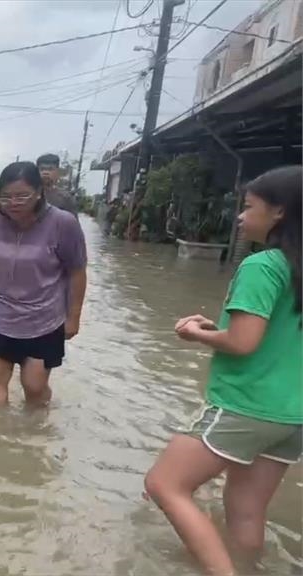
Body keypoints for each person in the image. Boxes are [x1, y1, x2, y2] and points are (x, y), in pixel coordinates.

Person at [144, 166, 302, 576]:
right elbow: (275, 336)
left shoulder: (263, 265)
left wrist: (197, 333)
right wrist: (225, 332)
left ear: (280, 212)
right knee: (248, 513)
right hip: (293, 415)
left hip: (248, 404)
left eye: (249, 207)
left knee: (164, 484)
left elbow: (244, 342)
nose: (240, 217)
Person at [0, 161, 87, 406]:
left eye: (22, 196)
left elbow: (77, 271)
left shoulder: (63, 224)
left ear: (38, 193)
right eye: (5, 197)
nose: (13, 203)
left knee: (34, 386)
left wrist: (74, 317)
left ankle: (35, 437)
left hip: (44, 319)